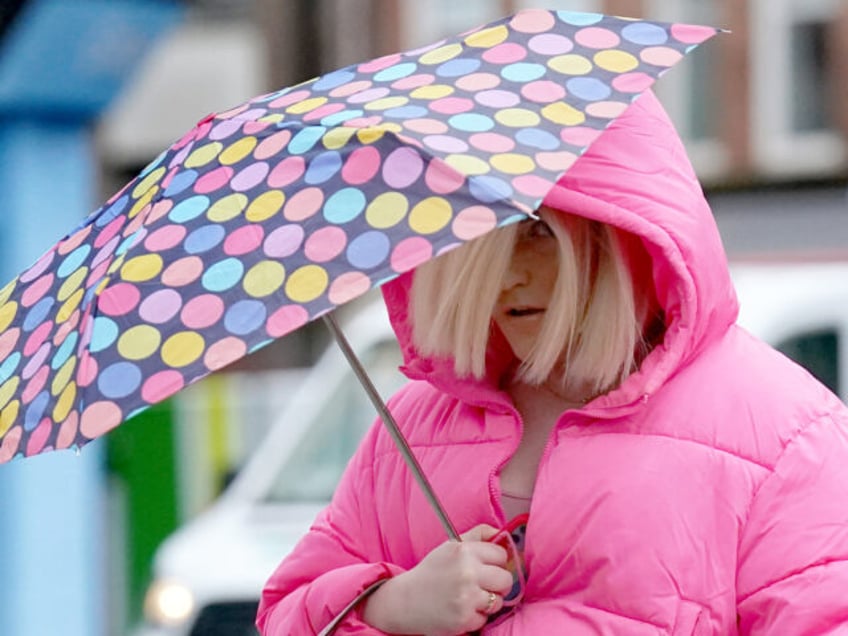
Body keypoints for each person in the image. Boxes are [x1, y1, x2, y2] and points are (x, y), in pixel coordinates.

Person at [256, 89, 848, 634]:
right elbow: (287, 611)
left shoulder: (786, 433)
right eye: (476, 240)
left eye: (537, 232)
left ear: (623, 235)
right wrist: (393, 604)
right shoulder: (413, 429)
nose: (506, 276)